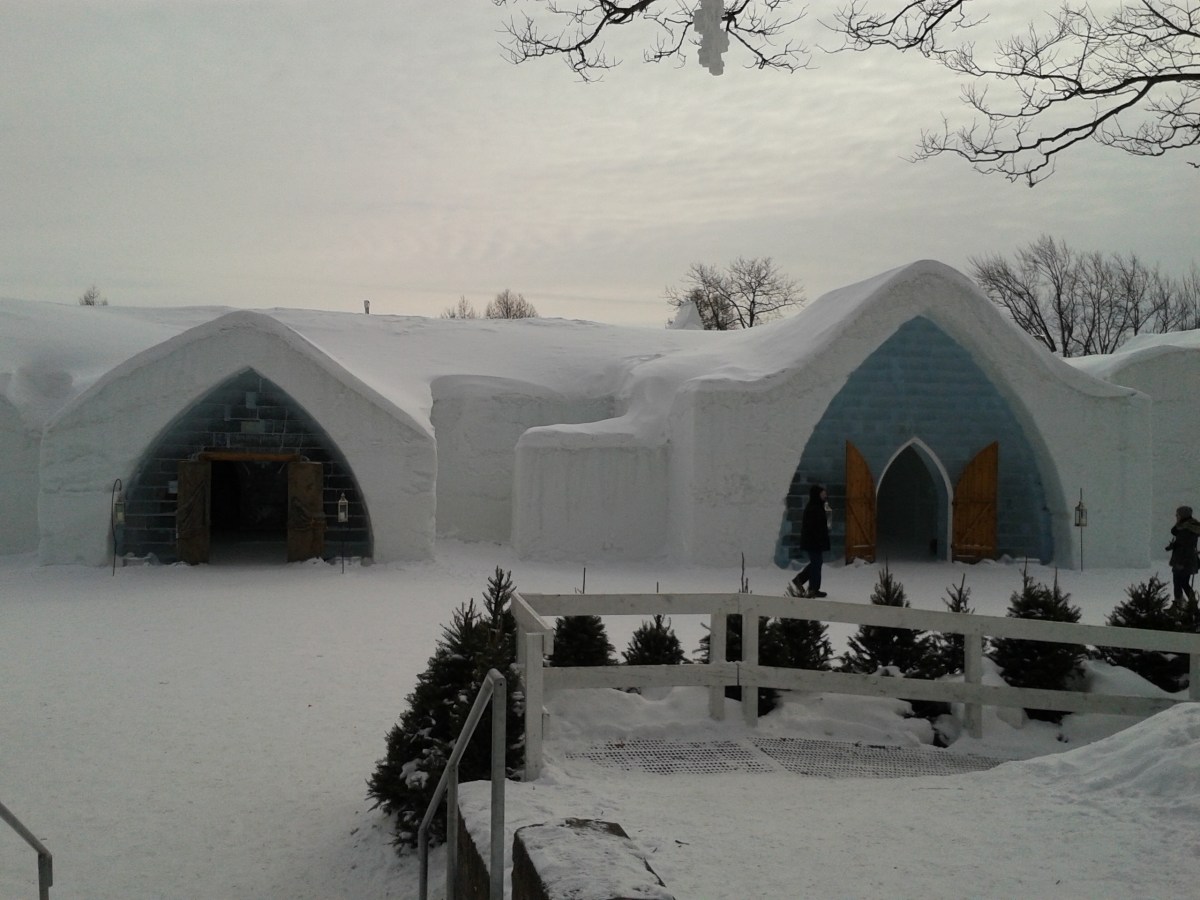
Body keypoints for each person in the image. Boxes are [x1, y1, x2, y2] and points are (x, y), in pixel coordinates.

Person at [791, 484, 831, 598]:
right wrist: (818, 539)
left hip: (814, 541)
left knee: (816, 563)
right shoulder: (814, 508)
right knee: (816, 564)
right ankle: (813, 589)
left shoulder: (818, 506)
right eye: (823, 493)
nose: (825, 495)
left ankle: (800, 580)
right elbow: (812, 527)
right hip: (813, 542)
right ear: (817, 495)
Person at [1167, 505, 1200, 612]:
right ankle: (1188, 604)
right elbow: (1180, 540)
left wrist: (1181, 562)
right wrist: (1173, 545)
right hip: (1185, 560)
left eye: (1178, 514)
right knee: (1183, 582)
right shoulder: (1184, 527)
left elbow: (1186, 546)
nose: (1176, 516)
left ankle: (1182, 604)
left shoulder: (1186, 528)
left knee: (1180, 582)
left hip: (1183, 560)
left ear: (1183, 515)